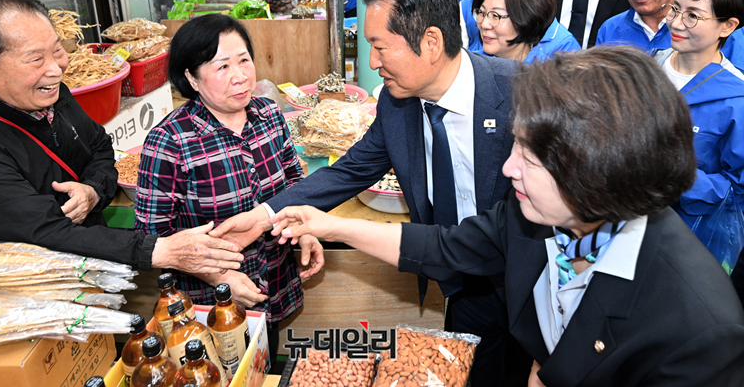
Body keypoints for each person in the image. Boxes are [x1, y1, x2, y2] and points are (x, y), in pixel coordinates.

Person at [264, 46, 744, 387]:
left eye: (529, 158)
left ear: (598, 172)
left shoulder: (700, 332)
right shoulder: (535, 217)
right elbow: (446, 246)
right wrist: (330, 225)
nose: (509, 168)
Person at [218, 0, 519, 386]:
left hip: (526, 282)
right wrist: (265, 214)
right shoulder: (398, 104)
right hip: (462, 284)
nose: (373, 62)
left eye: (380, 46)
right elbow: (350, 170)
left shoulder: (519, 94)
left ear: (431, 42)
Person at [0, 0, 245, 275]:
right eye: (36, 59)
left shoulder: (52, 95)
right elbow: (43, 231)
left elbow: (100, 146)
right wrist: (157, 249)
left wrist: (92, 190)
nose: (57, 68)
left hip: (88, 262)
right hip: (23, 285)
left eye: (57, 50)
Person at [135, 15, 323, 332]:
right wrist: (219, 278)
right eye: (222, 67)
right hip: (210, 302)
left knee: (266, 355)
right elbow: (152, 237)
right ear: (192, 78)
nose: (240, 77)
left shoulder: (269, 115)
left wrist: (304, 229)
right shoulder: (170, 141)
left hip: (276, 278)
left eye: (244, 60)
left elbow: (294, 181)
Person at [652, 0, 744, 265]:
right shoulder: (646, 68)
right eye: (675, 8)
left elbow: (737, 189)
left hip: (687, 246)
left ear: (727, 26)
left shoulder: (736, 98)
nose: (677, 23)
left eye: (693, 15)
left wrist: (673, 174)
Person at [473, 0, 580, 62]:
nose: (484, 24)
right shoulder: (472, 66)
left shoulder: (554, 65)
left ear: (527, 18)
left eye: (496, 16)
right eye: (482, 13)